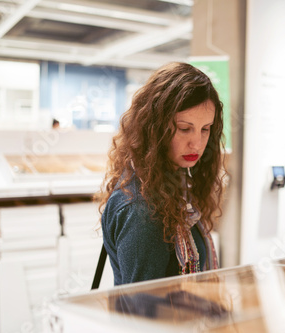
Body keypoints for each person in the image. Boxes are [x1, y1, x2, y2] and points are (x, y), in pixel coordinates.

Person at [96, 62, 226, 286]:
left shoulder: (175, 185)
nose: (197, 143)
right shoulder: (141, 209)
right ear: (154, 128)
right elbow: (141, 311)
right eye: (184, 128)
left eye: (205, 129)